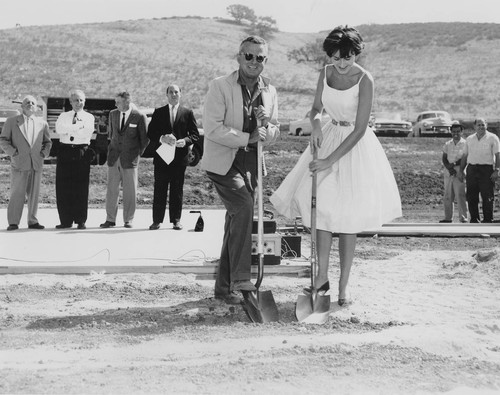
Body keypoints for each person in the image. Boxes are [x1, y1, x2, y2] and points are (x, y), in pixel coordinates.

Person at [270, 26, 401, 306]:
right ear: (330, 55)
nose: (342, 63)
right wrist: (316, 125)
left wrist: (331, 160)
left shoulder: (365, 80)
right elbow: (315, 109)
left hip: (354, 147)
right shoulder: (325, 73)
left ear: (356, 54)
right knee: (323, 210)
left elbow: (361, 129)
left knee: (348, 217)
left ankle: (344, 286)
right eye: (337, 58)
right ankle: (321, 278)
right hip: (327, 138)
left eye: (348, 57)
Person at [202, 36, 280, 304]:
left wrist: (265, 128)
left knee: (236, 220)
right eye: (249, 56)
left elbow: (274, 131)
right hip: (224, 162)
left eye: (260, 58)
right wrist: (248, 138)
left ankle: (223, 289)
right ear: (239, 57)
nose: (254, 62)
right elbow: (213, 127)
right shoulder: (220, 86)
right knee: (244, 207)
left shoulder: (270, 90)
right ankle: (241, 278)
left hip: (252, 163)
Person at [147, 85, 199, 231]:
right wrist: (161, 138)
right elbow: (150, 133)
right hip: (162, 157)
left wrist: (186, 141)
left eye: (176, 92)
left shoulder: (187, 113)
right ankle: (156, 221)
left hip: (179, 158)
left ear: (180, 94)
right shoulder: (158, 112)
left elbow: (194, 134)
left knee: (177, 190)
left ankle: (176, 220)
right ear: (166, 94)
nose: (174, 94)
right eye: (171, 92)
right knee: (159, 189)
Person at [0, 95, 52, 230]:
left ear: (36, 107)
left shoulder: (42, 123)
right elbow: (4, 140)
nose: (30, 104)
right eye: (27, 102)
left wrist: (43, 154)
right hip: (19, 163)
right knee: (17, 193)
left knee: (34, 194)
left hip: (36, 163)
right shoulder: (12, 121)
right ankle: (13, 222)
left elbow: (48, 142)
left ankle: (33, 221)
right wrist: (13, 153)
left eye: (33, 103)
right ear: (22, 106)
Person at [99, 92, 149, 229]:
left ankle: (128, 219)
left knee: (130, 190)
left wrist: (136, 154)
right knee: (111, 189)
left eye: (118, 102)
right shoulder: (113, 114)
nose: (116, 105)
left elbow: (144, 140)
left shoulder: (139, 116)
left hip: (130, 159)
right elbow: (111, 135)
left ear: (127, 102)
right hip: (114, 158)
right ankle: (110, 219)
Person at [54, 89, 95, 230]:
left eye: (81, 100)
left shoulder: (89, 117)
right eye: (76, 100)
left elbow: (86, 132)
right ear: (70, 102)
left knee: (80, 186)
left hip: (81, 152)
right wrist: (77, 126)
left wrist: (69, 129)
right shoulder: (63, 115)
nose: (79, 103)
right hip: (65, 151)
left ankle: (80, 220)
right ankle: (65, 220)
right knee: (63, 186)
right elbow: (59, 129)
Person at [459, 118, 500, 223]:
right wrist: (461, 170)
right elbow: (465, 155)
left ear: (486, 125)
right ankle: (474, 219)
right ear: (474, 126)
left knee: (487, 196)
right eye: (479, 125)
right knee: (471, 196)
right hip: (472, 169)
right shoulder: (469, 139)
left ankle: (487, 219)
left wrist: (497, 170)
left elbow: (498, 155)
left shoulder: (492, 138)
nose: (481, 127)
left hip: (486, 169)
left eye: (483, 125)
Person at [440, 120, 467, 223]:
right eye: (453, 131)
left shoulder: (465, 144)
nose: (456, 134)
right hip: (448, 171)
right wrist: (449, 168)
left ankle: (463, 217)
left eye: (458, 131)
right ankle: (448, 218)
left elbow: (465, 158)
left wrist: (455, 166)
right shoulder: (448, 144)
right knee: (447, 195)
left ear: (461, 132)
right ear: (451, 132)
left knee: (460, 195)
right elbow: (444, 158)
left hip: (460, 170)